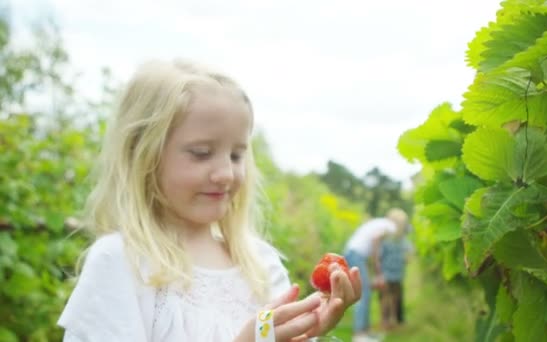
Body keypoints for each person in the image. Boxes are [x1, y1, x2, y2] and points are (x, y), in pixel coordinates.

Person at [58, 59, 361, 341]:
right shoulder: (122, 263)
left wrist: (307, 328)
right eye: (202, 153)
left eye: (236, 155)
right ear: (143, 155)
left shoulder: (259, 265)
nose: (226, 173)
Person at [343, 208, 407, 342]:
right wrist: (377, 265)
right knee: (363, 293)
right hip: (356, 254)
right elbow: (375, 238)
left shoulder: (381, 222)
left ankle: (365, 331)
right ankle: (359, 335)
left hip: (354, 253)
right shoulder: (389, 226)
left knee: (365, 291)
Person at [377, 214, 414, 330]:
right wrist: (406, 259)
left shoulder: (387, 239)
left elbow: (380, 255)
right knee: (393, 297)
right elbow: (410, 251)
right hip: (396, 271)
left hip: (388, 271)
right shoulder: (401, 239)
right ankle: (391, 320)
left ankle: (386, 321)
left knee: (386, 297)